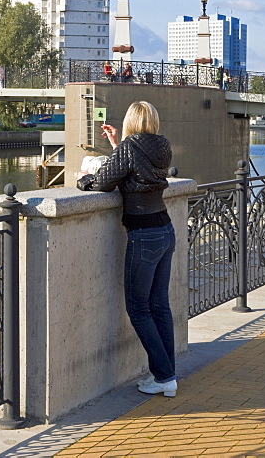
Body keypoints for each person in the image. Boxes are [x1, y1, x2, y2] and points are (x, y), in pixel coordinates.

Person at [76, 101, 177, 397]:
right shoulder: (163, 145)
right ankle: (167, 374)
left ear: (131, 122)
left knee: (138, 308)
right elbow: (138, 166)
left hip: (144, 234)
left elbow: (103, 184)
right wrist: (116, 145)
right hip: (165, 230)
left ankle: (164, 376)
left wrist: (83, 181)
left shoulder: (130, 147)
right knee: (160, 306)